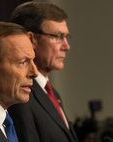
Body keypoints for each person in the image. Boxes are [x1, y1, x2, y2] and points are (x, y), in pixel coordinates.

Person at [8, 2, 78, 142]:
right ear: (31, 39)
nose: (66, 46)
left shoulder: (52, 93)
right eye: (57, 36)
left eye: (66, 37)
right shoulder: (21, 95)